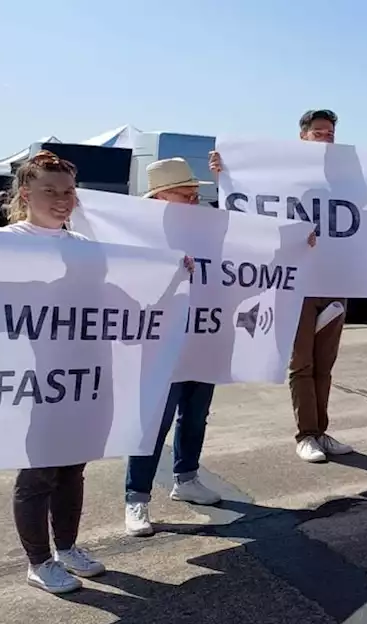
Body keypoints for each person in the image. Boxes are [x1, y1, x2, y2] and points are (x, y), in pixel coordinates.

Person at [0, 151, 105, 593]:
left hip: (78, 374)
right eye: (49, 191)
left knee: (72, 464)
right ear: (25, 194)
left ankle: (67, 548)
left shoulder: (85, 249)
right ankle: (38, 561)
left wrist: (175, 272)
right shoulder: (2, 242)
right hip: (28, 376)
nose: (61, 200)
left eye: (68, 191)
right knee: (38, 470)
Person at [208, 109, 353, 463]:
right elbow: (248, 198)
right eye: (319, 132)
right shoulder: (282, 172)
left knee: (324, 363)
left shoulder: (347, 172)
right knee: (301, 361)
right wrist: (224, 173)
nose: (326, 137)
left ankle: (320, 430)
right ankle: (306, 434)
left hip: (334, 281)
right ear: (303, 135)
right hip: (295, 283)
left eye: (330, 132)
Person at [123, 158, 224, 536]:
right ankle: (137, 497)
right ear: (161, 196)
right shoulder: (138, 231)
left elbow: (254, 242)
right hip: (160, 343)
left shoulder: (206, 226)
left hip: (203, 337)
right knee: (153, 422)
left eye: (197, 192)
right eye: (187, 194)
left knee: (196, 414)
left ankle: (187, 478)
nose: (195, 199)